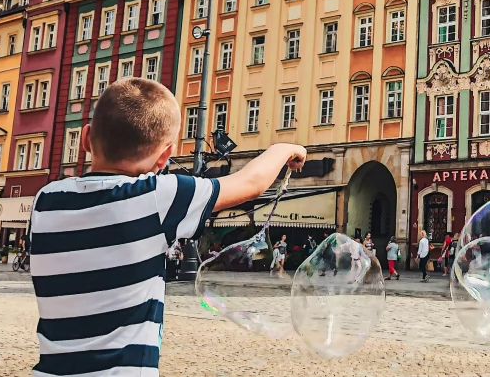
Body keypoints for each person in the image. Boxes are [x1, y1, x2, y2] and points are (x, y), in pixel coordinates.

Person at [26, 79, 307, 377]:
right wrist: (284, 147)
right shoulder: (155, 197)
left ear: (85, 138)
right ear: (164, 156)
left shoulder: (47, 199)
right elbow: (250, 184)